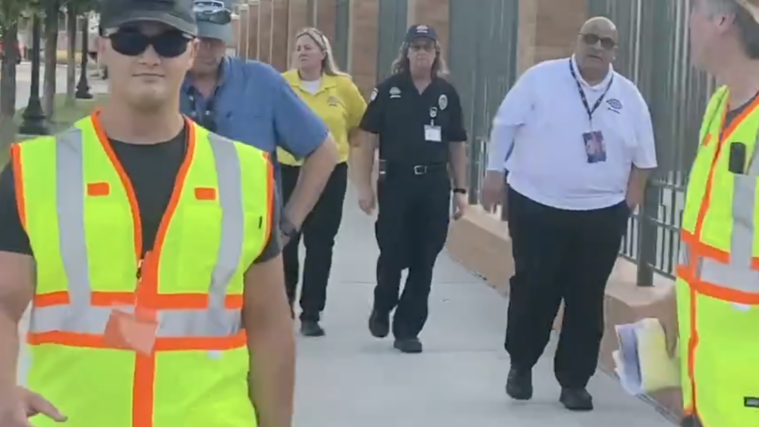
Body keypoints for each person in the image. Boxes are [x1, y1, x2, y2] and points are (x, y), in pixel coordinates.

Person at [0, 0, 295, 426]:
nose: (150, 57)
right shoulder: (35, 170)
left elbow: (270, 326)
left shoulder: (246, 174)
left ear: (192, 53)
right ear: (102, 49)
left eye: (170, 42)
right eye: (131, 40)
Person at [480, 17, 657, 411]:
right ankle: (521, 365)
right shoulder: (541, 79)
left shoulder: (628, 96)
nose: (596, 46)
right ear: (577, 41)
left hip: (600, 215)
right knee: (534, 289)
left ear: (614, 51)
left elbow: (644, 160)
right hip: (536, 206)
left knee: (585, 297)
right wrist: (495, 172)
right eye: (590, 38)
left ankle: (574, 382)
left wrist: (628, 203)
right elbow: (505, 125)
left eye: (606, 42)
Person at [658, 1, 759, 426]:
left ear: (723, 20)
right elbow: (710, 239)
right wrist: (671, 300)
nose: (688, 28)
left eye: (694, 14)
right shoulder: (719, 106)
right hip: (706, 390)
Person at [351, 24, 469, 354]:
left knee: (425, 258)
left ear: (436, 54)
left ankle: (408, 328)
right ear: (406, 53)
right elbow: (367, 141)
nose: (421, 52)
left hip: (433, 184)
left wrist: (461, 190)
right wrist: (364, 186)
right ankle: (383, 302)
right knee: (392, 252)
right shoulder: (388, 91)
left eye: (427, 47)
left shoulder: (446, 94)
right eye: (415, 46)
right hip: (396, 182)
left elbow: (457, 144)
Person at [182, 0, 339, 242]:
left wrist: (288, 224)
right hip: (179, 239)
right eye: (199, 40)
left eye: (216, 40)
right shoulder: (163, 85)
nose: (208, 49)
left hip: (251, 244)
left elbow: (324, 150)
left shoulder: (260, 82)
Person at [278, 27, 367, 336]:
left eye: (309, 47)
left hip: (330, 173)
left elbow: (359, 123)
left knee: (320, 244)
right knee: (286, 240)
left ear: (322, 54)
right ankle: (283, 305)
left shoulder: (342, 86)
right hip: (290, 170)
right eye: (298, 47)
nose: (302, 51)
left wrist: (341, 146)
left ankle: (311, 313)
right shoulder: (283, 83)